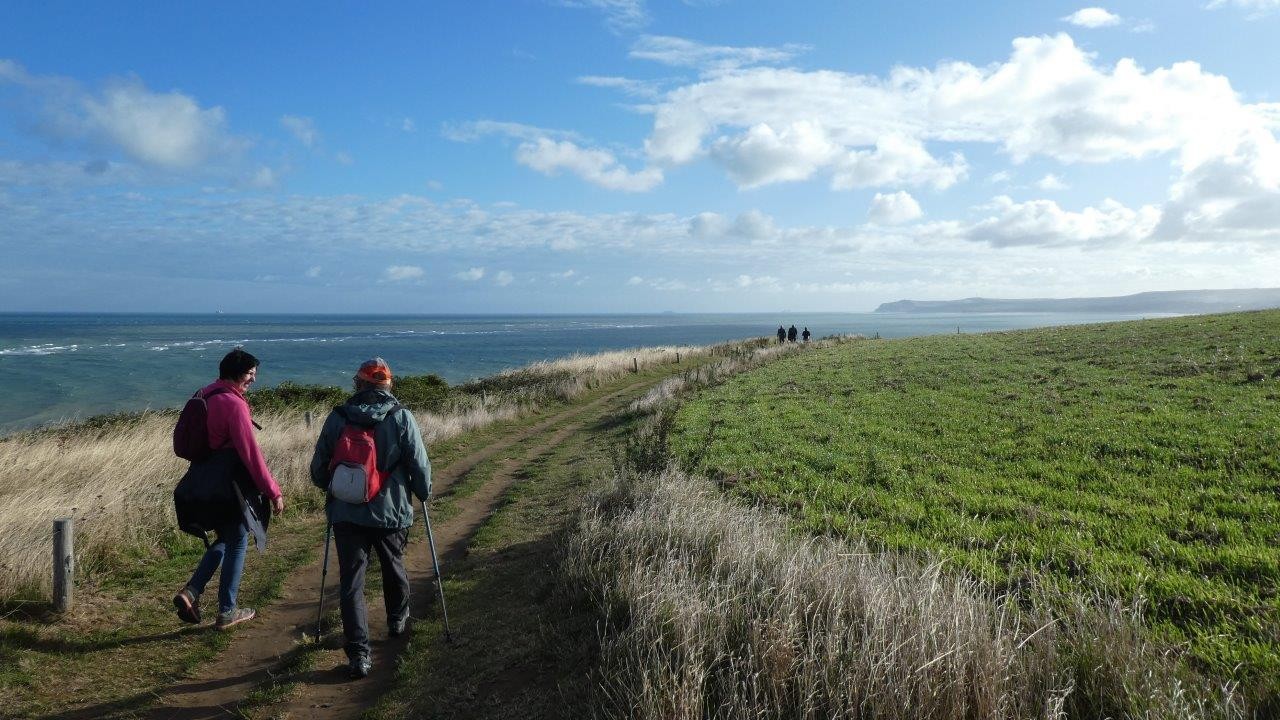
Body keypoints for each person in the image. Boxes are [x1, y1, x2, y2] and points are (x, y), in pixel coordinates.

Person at [310, 357, 431, 679]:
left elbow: (318, 468)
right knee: (393, 565)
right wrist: (423, 491)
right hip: (391, 510)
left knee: (352, 582)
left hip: (346, 513)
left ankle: (359, 655)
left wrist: (336, 489)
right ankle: (396, 619)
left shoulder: (338, 417)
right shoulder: (401, 416)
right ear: (388, 385)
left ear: (358, 383)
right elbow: (419, 465)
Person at [173, 348, 285, 630]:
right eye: (250, 374)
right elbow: (250, 454)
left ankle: (191, 593)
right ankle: (227, 610)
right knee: (238, 539)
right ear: (236, 373)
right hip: (229, 484)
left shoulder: (204, 393)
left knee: (227, 536)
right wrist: (272, 491)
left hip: (202, 477)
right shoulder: (234, 405)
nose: (253, 380)